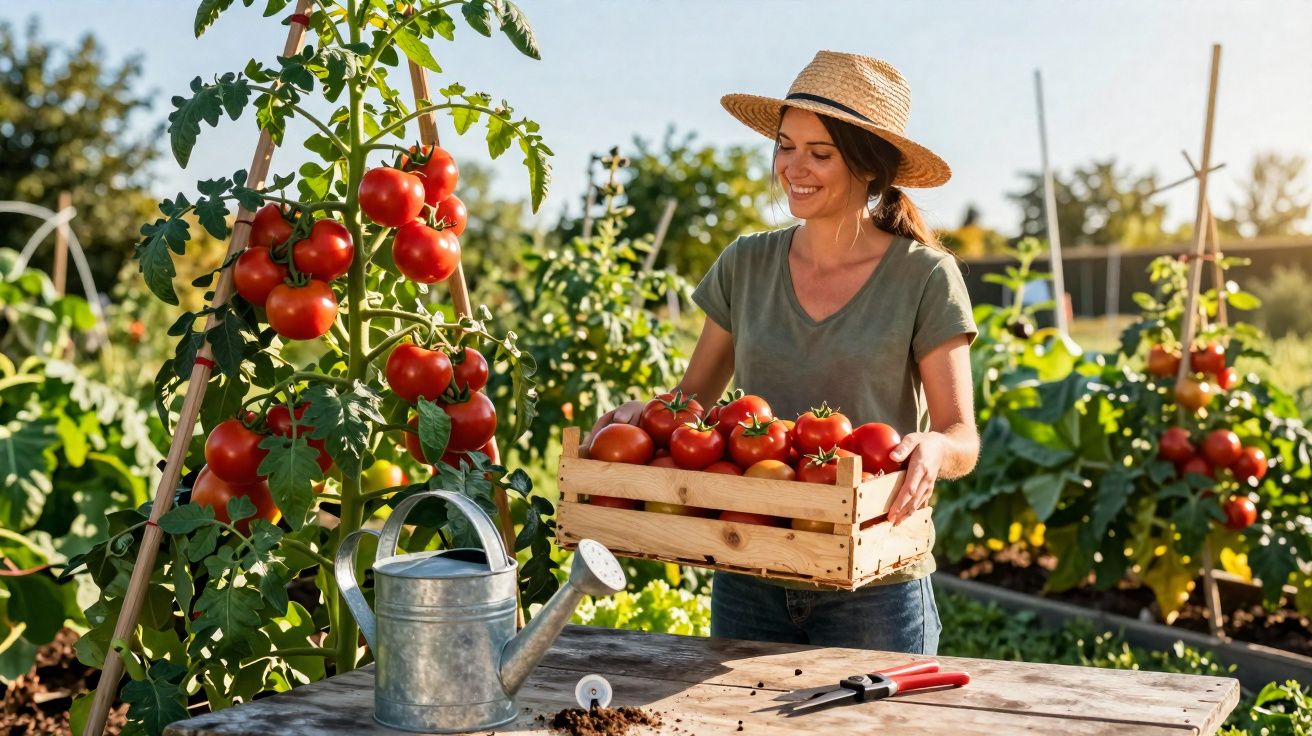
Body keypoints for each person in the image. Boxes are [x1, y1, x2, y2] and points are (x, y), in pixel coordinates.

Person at [590, 51, 979, 655]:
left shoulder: (924, 276)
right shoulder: (746, 263)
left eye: (820, 153)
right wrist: (645, 413)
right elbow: (693, 402)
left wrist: (934, 449)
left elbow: (961, 434)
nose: (794, 167)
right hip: (750, 565)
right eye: (785, 145)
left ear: (868, 166)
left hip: (873, 579)